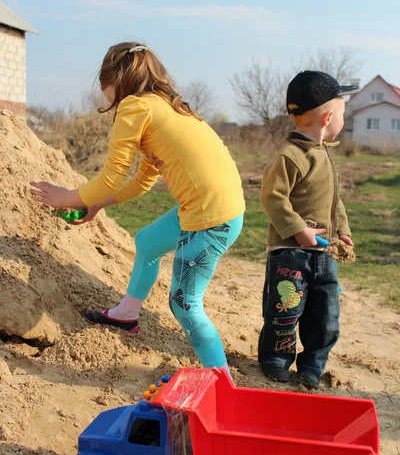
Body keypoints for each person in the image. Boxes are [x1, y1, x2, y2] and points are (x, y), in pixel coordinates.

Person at [30, 42, 245, 374]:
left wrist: (68, 197)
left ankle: (221, 381)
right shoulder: (163, 107)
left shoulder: (135, 107)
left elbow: (113, 176)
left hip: (210, 219)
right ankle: (127, 313)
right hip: (214, 207)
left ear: (120, 82)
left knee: (184, 304)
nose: (111, 104)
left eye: (110, 97)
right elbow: (142, 180)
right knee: (147, 240)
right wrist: (97, 205)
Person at [258, 71, 358, 390]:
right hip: (291, 252)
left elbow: (334, 201)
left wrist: (342, 231)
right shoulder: (293, 156)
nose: (344, 120)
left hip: (324, 253)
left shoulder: (325, 155)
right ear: (328, 117)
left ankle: (313, 364)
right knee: (285, 310)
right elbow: (271, 196)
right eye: (343, 114)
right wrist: (297, 228)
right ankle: (276, 359)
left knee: (324, 314)